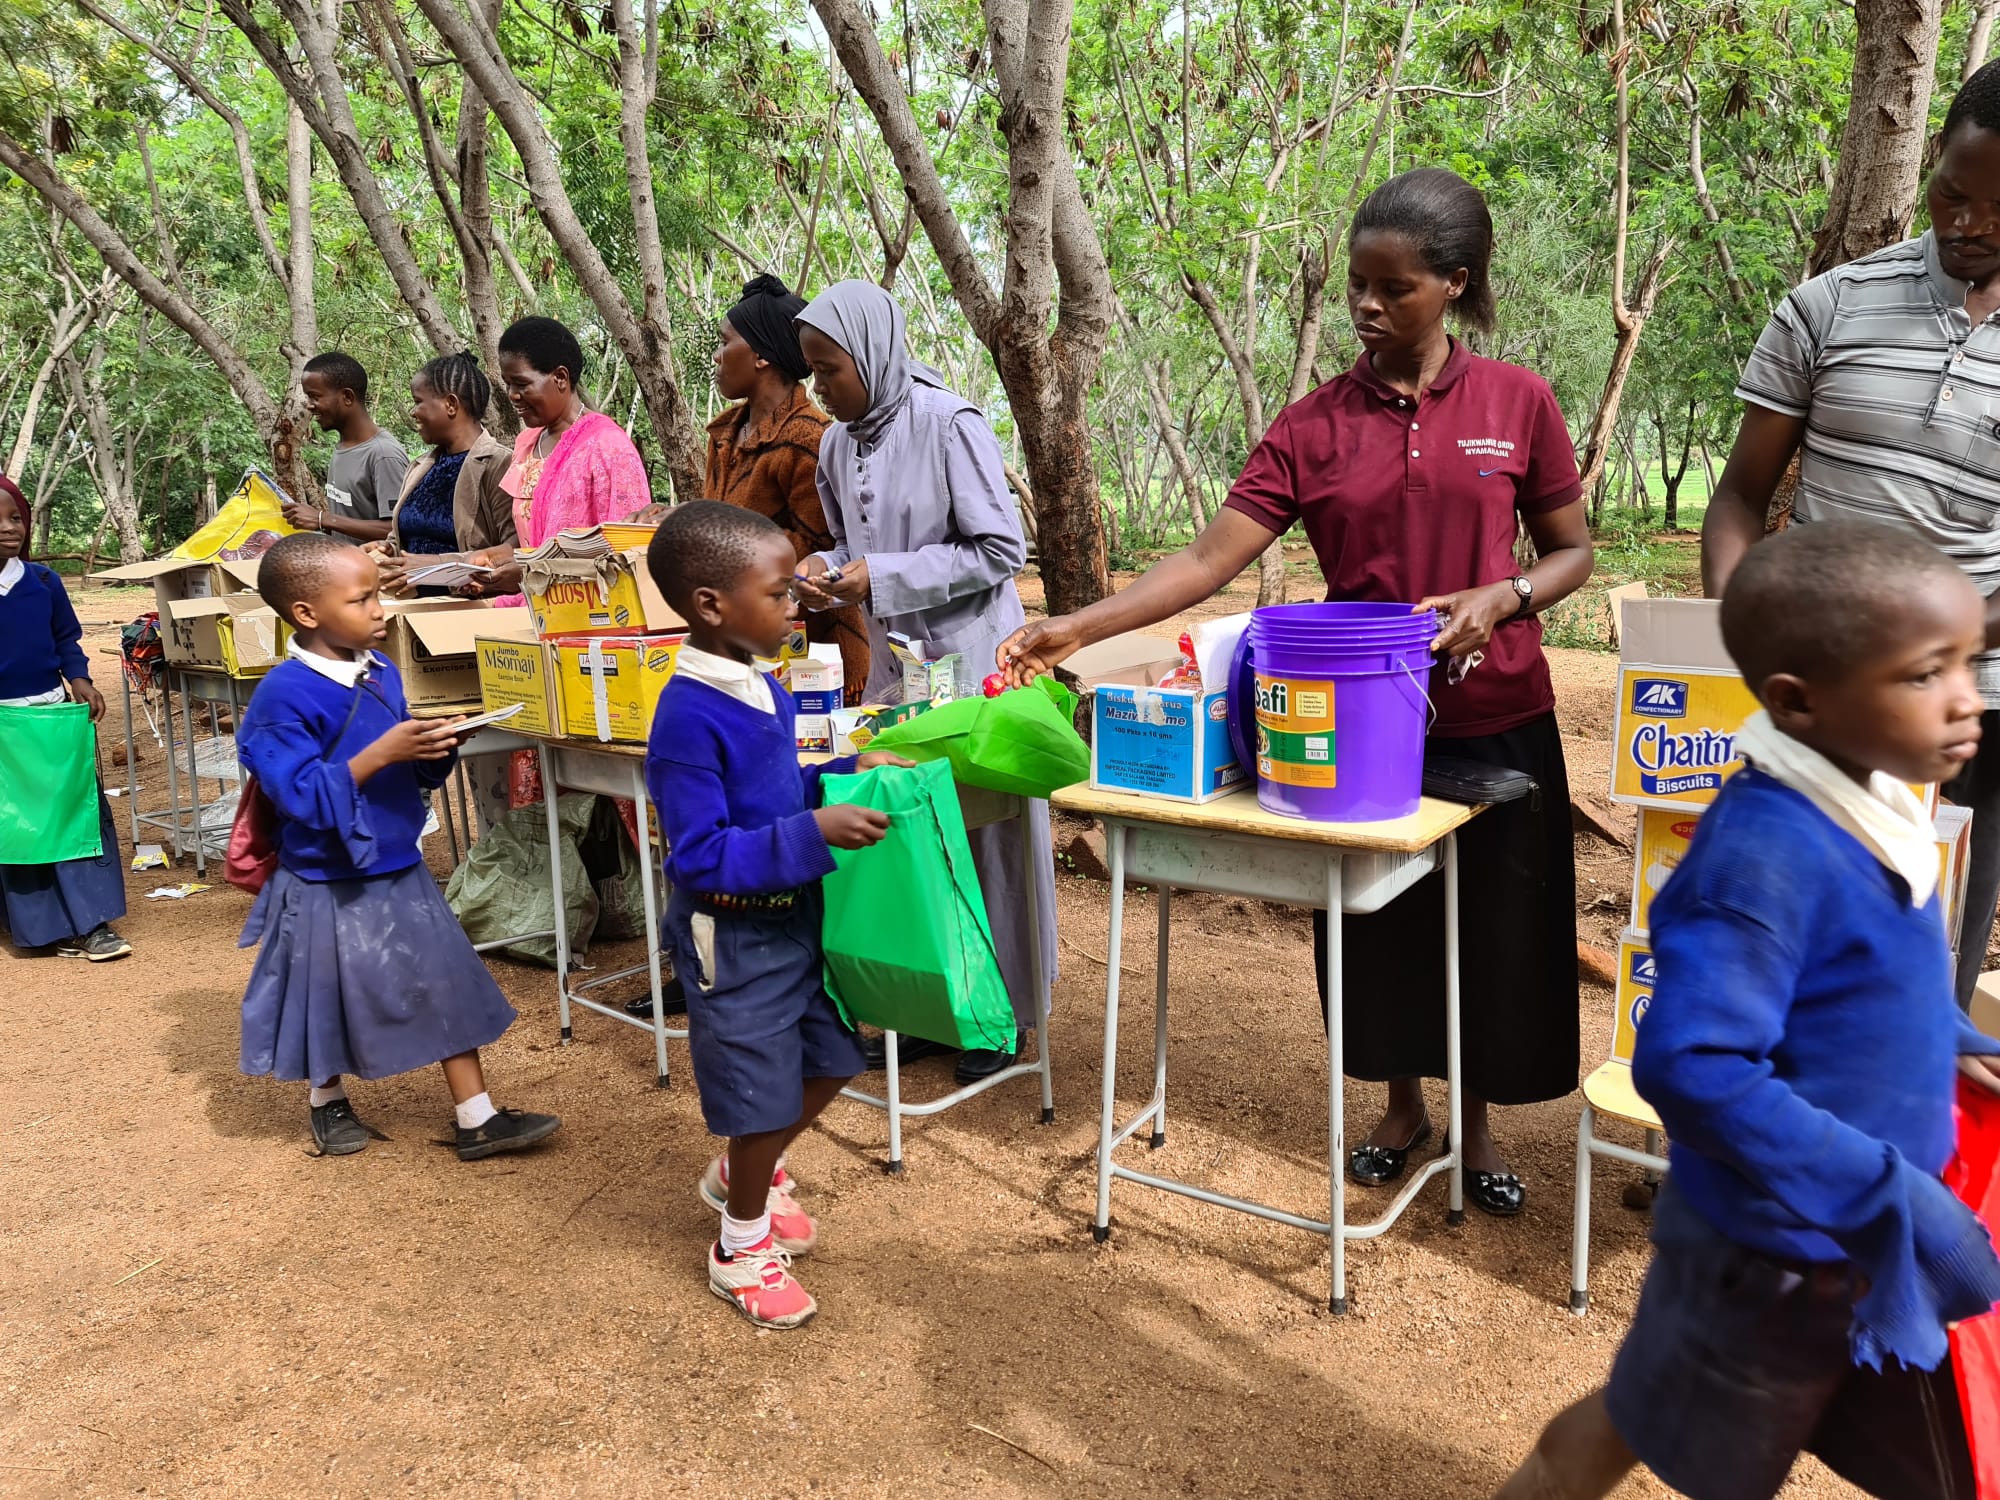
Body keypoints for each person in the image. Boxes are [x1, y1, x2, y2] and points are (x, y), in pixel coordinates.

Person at [1000, 168, 1595, 1214]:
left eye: (1391, 287)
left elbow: (1569, 554)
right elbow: (1203, 560)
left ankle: (1482, 1126)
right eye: (1357, 286)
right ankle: (1402, 1106)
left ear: (1453, 283)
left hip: (1497, 714)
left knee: (1500, 930)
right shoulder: (1312, 424)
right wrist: (1078, 625)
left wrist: (1501, 596)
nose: (1364, 306)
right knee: (1373, 925)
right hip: (1355, 726)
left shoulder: (1517, 402)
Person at [1494, 522, 2000, 1500]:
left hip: (1862, 1251)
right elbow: (1694, 1068)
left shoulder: (1878, 804)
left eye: (1967, 663)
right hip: (1764, 1261)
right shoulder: (1763, 857)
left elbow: (1869, 981)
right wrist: (1880, 1191)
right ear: (1796, 703)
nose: (1964, 700)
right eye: (1922, 674)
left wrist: (1949, 1040)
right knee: (1634, 1433)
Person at [1702, 59, 2000, 1008]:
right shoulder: (1830, 306)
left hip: (1970, 716)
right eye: (1952, 193)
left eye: (1999, 209)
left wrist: (1929, 660)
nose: (1969, 223)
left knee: (1928, 969)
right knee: (1773, 949)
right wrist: (1744, 630)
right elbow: (1741, 497)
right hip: (1815, 710)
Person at [643, 501, 910, 1329]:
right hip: (731, 935)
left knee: (832, 1060)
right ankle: (741, 1244)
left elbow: (775, 791)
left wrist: (840, 770)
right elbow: (699, 854)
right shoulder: (687, 717)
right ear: (711, 606)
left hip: (791, 921)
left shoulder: (760, 683)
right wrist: (811, 831)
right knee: (759, 1100)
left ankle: (740, 1172)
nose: (798, 601)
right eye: (778, 589)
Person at [793, 279, 1055, 1084]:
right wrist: (824, 568)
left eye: (829, 369)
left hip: (974, 665)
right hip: (899, 672)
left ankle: (1004, 1017)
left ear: (871, 354)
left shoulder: (949, 422)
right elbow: (847, 540)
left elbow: (1000, 549)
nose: (819, 388)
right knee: (913, 834)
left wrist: (884, 575)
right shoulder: (838, 443)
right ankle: (940, 1007)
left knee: (988, 838)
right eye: (810, 372)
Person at [235, 532, 561, 1161]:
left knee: (443, 979)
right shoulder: (281, 697)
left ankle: (477, 1116)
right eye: (362, 600)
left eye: (379, 595)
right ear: (307, 614)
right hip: (324, 875)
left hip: (398, 861)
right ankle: (326, 1100)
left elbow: (407, 773)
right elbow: (298, 794)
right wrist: (381, 753)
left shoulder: (381, 670)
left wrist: (437, 750)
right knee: (322, 992)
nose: (380, 610)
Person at [705, 274, 869, 701]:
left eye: (725, 343)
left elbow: (826, 545)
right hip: (744, 643)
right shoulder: (724, 435)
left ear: (760, 355)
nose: (717, 357)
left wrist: (714, 535)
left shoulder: (811, 437)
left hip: (817, 655)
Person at [0, 473, 130, 961]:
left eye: (15, 518)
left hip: (49, 719)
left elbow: (64, 641)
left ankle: (93, 922)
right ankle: (40, 929)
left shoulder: (45, 583)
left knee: (73, 815)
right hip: (4, 728)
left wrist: (80, 679)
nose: (8, 528)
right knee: (17, 825)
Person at [479, 315, 653, 598]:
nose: (512, 395)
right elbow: (531, 542)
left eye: (521, 384)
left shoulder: (607, 447)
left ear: (560, 377)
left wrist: (529, 571)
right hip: (532, 610)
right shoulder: (527, 445)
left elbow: (627, 554)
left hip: (591, 616)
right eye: (508, 384)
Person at [371, 353, 516, 600]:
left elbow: (516, 548)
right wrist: (386, 550)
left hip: (469, 615)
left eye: (418, 402)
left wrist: (437, 564)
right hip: (414, 610)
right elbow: (405, 543)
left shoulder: (500, 464)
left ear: (450, 404)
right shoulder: (419, 467)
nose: (413, 412)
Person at [284, 352, 408, 545]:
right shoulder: (342, 447)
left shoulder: (383, 454)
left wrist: (322, 518)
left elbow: (398, 529)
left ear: (347, 397)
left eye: (315, 396)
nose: (309, 406)